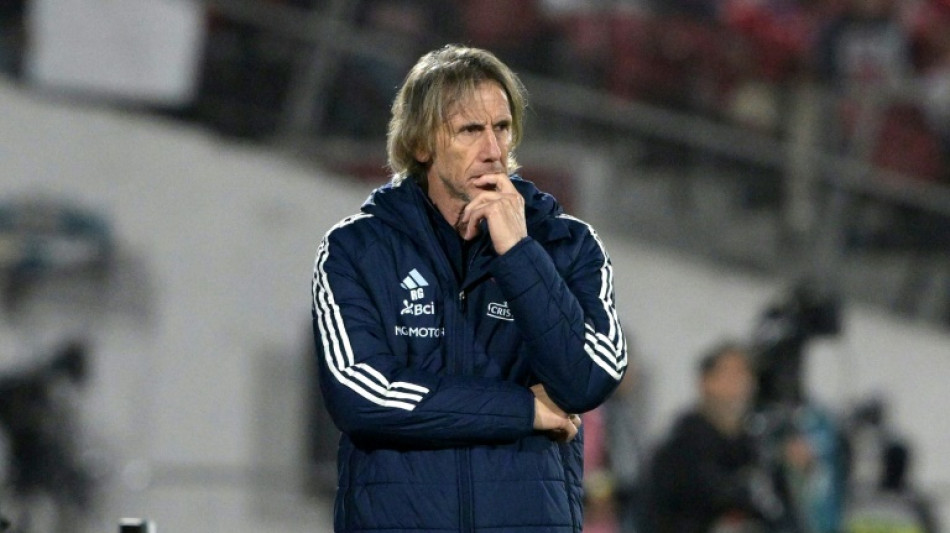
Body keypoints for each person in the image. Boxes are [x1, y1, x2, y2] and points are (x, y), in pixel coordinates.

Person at [310, 44, 628, 532]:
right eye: (470, 130)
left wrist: (519, 253)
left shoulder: (568, 245)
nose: (493, 150)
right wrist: (524, 409)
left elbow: (587, 379)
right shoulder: (355, 250)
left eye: (502, 127)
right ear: (422, 145)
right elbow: (362, 395)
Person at [644, 342, 784, 533]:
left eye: (746, 373)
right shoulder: (680, 447)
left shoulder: (755, 447)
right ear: (706, 381)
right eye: (731, 373)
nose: (741, 382)